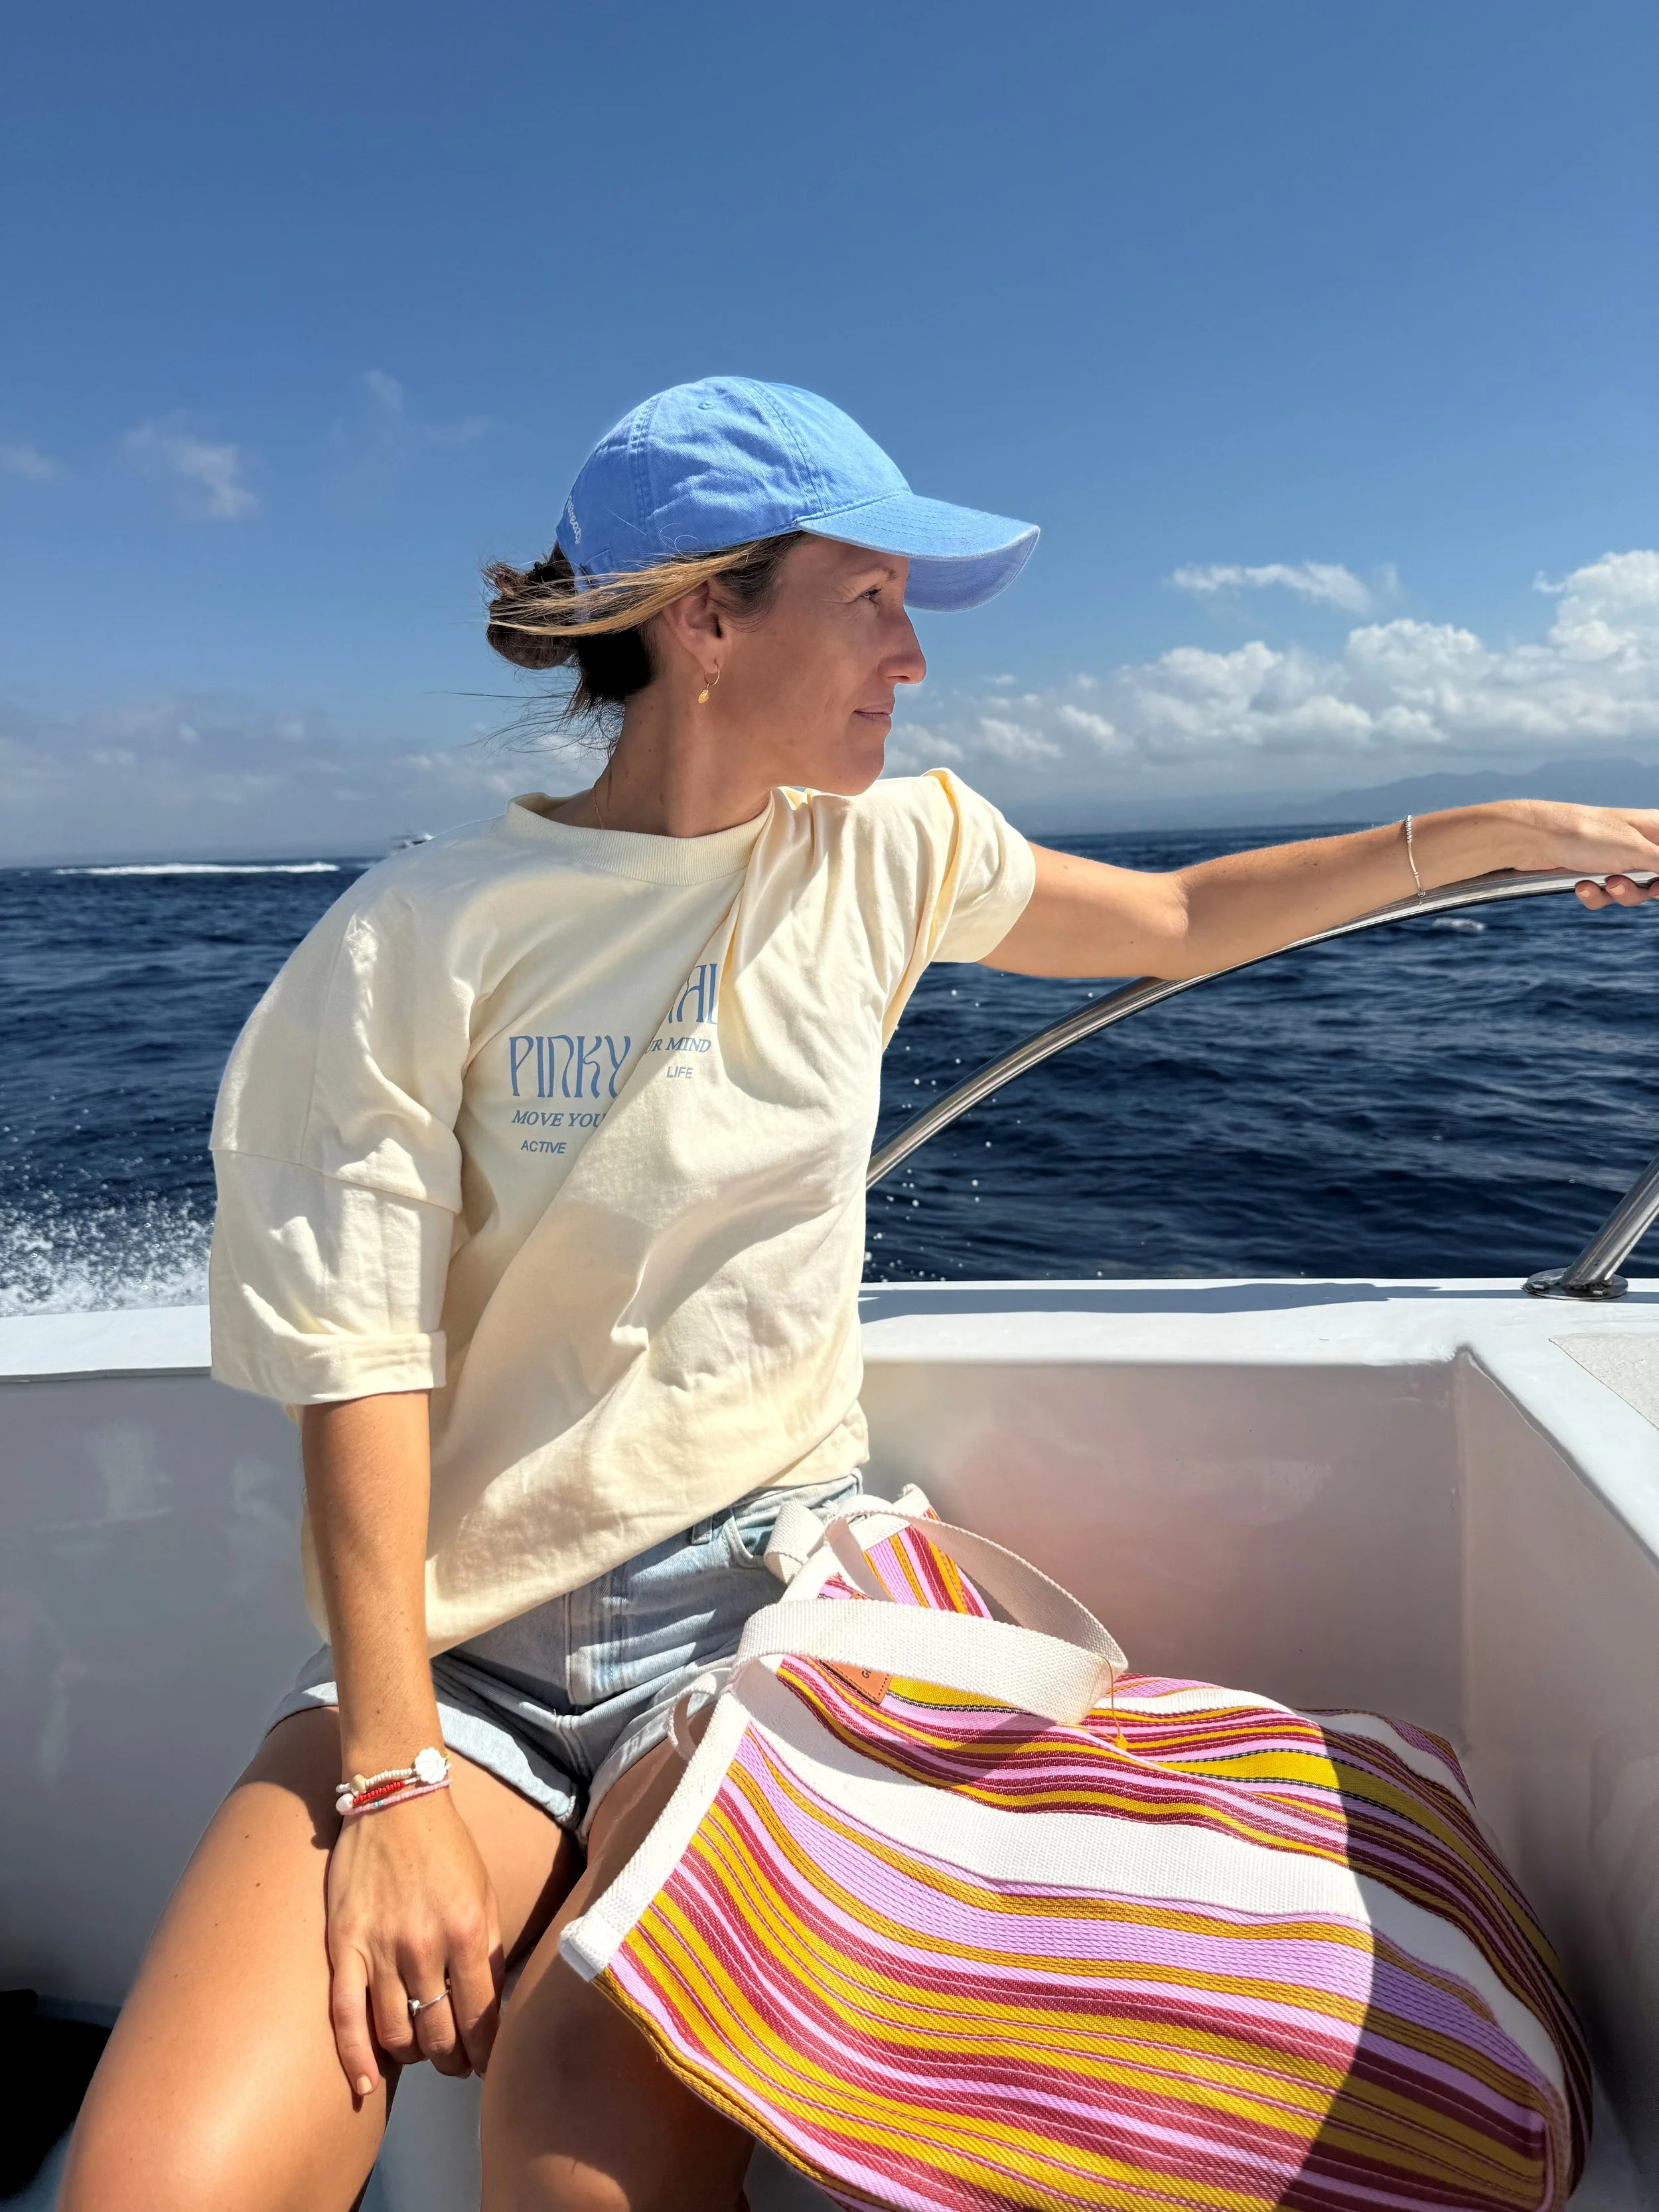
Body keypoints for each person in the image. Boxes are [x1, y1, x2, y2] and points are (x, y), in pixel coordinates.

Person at [63, 376, 1659, 2212]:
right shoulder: (416, 937)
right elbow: (357, 1368)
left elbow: (1165, 923)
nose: (913, 658)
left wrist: (1509, 827)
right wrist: (397, 1776)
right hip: (451, 1656)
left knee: (579, 2151)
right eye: (873, 599)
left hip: (754, 1613)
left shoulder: (888, 848)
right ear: (706, 616)